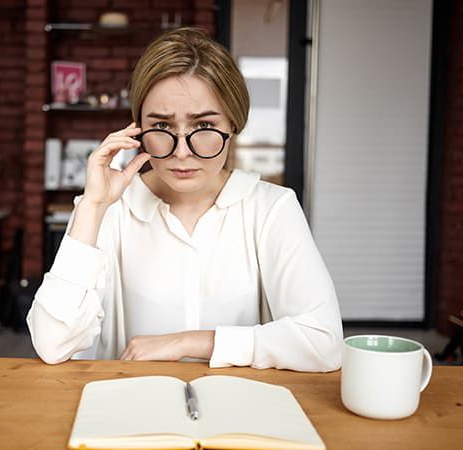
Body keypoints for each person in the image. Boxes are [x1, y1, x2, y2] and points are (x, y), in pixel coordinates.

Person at [27, 27, 343, 371]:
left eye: (203, 126)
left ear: (233, 125)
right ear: (137, 128)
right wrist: (92, 208)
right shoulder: (108, 210)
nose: (181, 153)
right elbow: (52, 344)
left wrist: (186, 342)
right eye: (161, 128)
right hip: (130, 409)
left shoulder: (271, 208)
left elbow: (324, 343)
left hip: (242, 410)